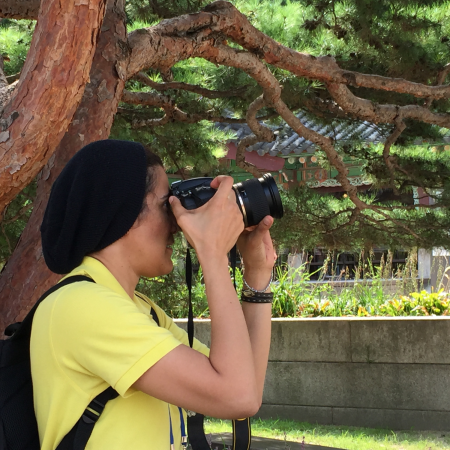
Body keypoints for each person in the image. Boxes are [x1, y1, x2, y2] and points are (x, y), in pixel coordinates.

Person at [31, 139, 275, 450]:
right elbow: (237, 395)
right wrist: (212, 253)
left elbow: (246, 387)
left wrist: (257, 276)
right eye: (165, 205)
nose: (176, 223)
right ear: (122, 213)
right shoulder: (82, 306)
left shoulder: (139, 308)